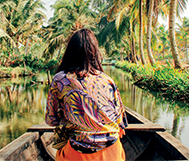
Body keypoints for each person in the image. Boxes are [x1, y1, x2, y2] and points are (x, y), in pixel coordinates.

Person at [45, 28, 127, 161]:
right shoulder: (107, 80)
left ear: (69, 52)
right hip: (113, 152)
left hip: (79, 153)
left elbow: (51, 120)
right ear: (95, 53)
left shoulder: (60, 79)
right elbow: (120, 123)